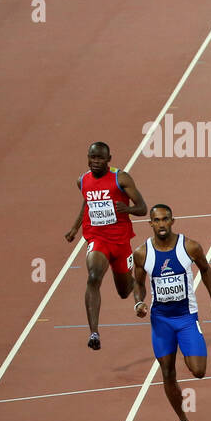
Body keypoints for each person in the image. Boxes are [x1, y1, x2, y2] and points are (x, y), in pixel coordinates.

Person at [131, 204, 211, 421]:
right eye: (157, 220)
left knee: (198, 371)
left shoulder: (189, 246)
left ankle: (186, 348)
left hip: (186, 318)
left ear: (173, 221)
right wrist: (138, 303)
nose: (161, 224)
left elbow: (206, 269)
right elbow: (138, 284)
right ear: (150, 223)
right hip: (161, 321)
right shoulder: (142, 253)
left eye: (165, 219)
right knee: (167, 372)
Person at [66, 142, 149, 350]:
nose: (95, 162)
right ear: (87, 157)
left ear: (109, 159)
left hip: (120, 241)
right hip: (97, 238)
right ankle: (94, 333)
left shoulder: (121, 178)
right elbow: (87, 202)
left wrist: (127, 209)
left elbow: (143, 208)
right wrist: (75, 228)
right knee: (93, 277)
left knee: (123, 291)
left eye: (100, 158)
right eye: (92, 157)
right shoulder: (82, 180)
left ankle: (138, 285)